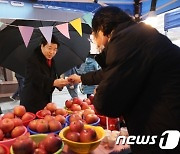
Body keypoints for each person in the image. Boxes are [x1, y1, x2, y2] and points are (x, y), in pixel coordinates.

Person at [68, 6, 180, 154]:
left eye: (94, 35)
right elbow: (111, 71)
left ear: (101, 29)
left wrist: (100, 93)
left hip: (163, 125)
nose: (95, 41)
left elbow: (107, 104)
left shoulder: (124, 40)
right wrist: (81, 78)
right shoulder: (138, 36)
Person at [20, 35, 69, 113]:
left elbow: (52, 76)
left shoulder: (51, 60)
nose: (52, 52)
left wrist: (59, 83)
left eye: (55, 49)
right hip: (32, 101)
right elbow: (36, 77)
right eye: (49, 48)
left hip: (45, 100)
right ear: (42, 46)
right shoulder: (33, 59)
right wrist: (53, 82)